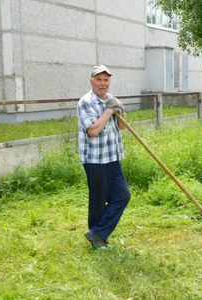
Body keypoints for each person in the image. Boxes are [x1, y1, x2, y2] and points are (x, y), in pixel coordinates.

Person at [77, 65, 131, 248]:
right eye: (99, 79)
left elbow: (122, 127)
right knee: (98, 201)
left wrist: (121, 111)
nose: (103, 83)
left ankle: (96, 233)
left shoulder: (110, 100)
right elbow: (93, 130)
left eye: (106, 80)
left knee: (123, 195)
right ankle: (98, 239)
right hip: (95, 160)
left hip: (113, 158)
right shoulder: (86, 102)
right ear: (91, 81)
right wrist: (109, 111)